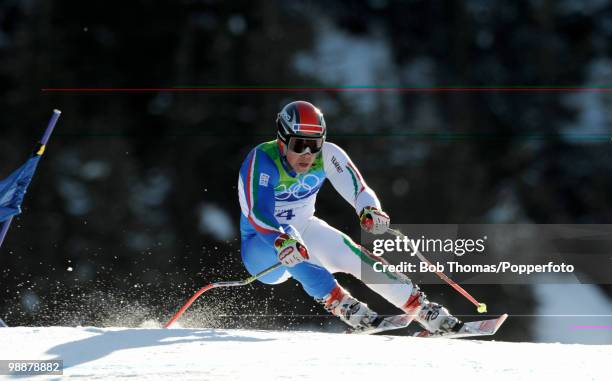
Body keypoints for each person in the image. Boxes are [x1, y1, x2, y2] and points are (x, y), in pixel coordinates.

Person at [238, 100, 460, 332]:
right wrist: (281, 240)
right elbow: (258, 211)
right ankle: (341, 303)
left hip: (304, 231)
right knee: (291, 234)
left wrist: (369, 210)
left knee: (352, 253)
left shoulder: (328, 155)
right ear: (282, 140)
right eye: (299, 144)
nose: (307, 154)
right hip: (263, 245)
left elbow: (359, 190)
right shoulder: (262, 160)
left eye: (314, 145)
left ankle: (422, 309)